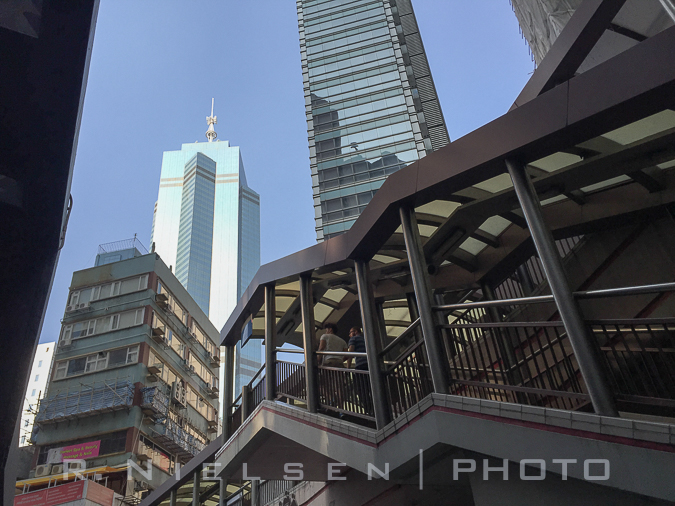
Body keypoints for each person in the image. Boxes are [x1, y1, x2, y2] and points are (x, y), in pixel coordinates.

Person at [347, 326, 372, 413]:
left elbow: (350, 353)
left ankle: (369, 410)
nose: (350, 334)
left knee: (361, 389)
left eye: (351, 332)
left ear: (356, 331)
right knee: (371, 387)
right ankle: (375, 408)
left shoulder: (353, 339)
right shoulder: (367, 339)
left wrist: (347, 368)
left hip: (361, 366)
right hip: (371, 365)